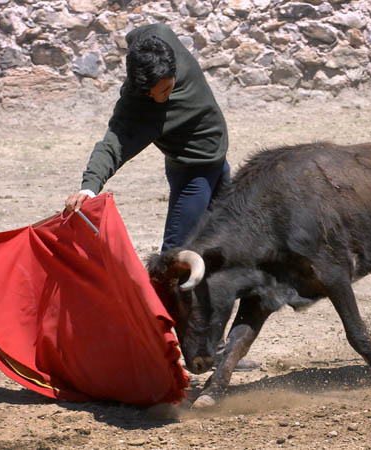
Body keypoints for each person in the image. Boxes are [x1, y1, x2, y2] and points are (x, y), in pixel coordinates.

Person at [65, 23, 258, 371]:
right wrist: (88, 186)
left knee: (219, 257)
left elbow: (139, 32)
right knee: (174, 264)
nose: (163, 98)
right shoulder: (139, 105)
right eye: (156, 94)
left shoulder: (159, 38)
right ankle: (155, 350)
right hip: (191, 174)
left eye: (168, 89)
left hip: (219, 166)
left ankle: (213, 348)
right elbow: (114, 142)